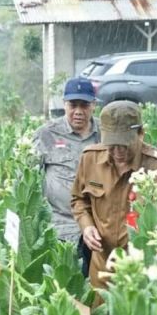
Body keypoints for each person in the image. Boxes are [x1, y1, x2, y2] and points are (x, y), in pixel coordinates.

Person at [70, 100, 157, 315]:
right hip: (101, 266)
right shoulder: (90, 159)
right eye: (112, 144)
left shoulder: (156, 166)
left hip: (140, 270)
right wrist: (87, 226)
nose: (118, 152)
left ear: (141, 133)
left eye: (124, 144)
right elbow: (78, 200)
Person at [32, 77, 100, 276]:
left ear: (93, 105)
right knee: (67, 285)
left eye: (84, 105)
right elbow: (27, 179)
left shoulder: (104, 135)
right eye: (73, 105)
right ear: (64, 104)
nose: (78, 111)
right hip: (61, 226)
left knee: (97, 288)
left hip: (98, 227)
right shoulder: (46, 134)